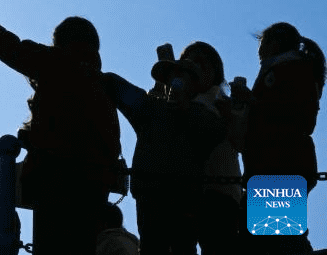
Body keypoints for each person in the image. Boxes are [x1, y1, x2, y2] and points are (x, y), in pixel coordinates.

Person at [0, 0, 121, 255]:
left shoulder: (58, 62)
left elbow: (11, 48)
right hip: (94, 186)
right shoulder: (104, 86)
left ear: (61, 42)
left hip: (57, 180)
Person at [103, 53, 226, 254]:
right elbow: (115, 85)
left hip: (185, 202)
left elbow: (215, 132)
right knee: (152, 248)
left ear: (195, 85)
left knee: (183, 249)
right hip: (150, 199)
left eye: (182, 77)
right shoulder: (151, 108)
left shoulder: (204, 115)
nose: (174, 82)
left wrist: (186, 108)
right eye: (171, 77)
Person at [236, 22, 324, 255]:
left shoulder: (290, 69)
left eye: (262, 43)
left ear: (273, 43)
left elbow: (298, 116)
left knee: (278, 240)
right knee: (271, 238)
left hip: (280, 163)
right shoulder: (289, 68)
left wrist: (253, 103)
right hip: (274, 164)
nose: (259, 50)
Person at [180, 41, 242, 255]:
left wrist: (231, 117)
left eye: (202, 63)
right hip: (188, 192)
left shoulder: (224, 103)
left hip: (221, 192)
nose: (196, 68)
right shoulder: (179, 101)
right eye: (190, 63)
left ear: (215, 71)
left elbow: (240, 141)